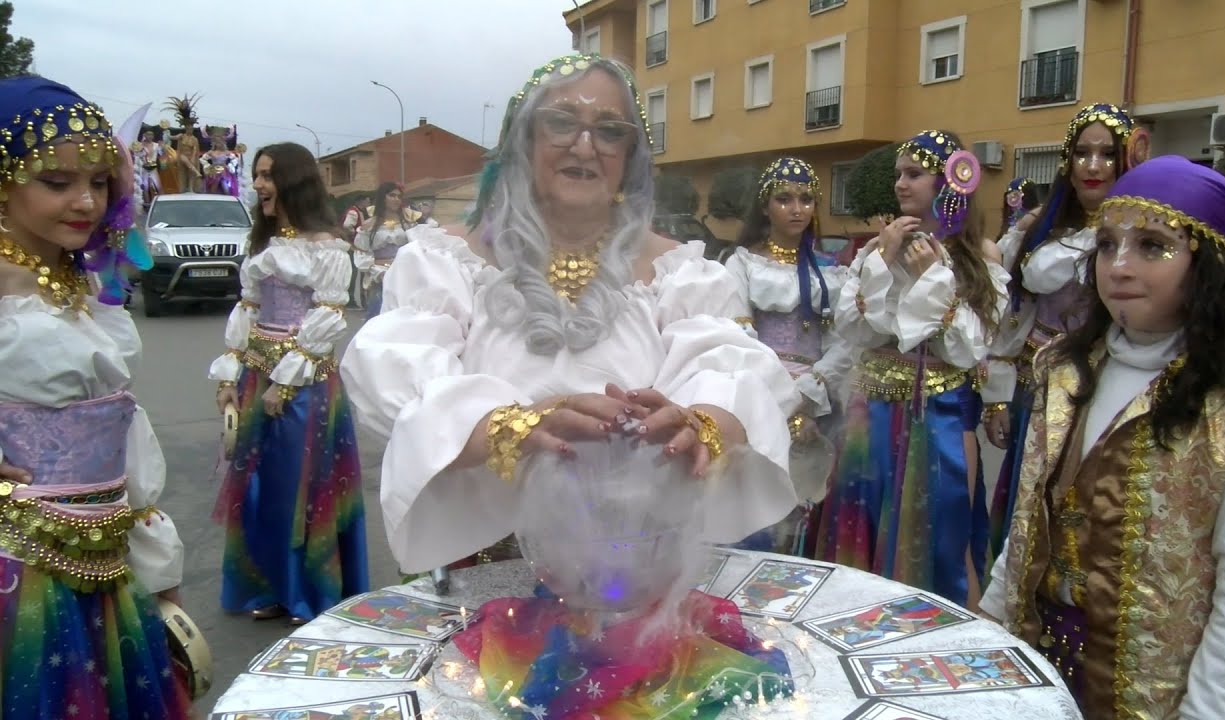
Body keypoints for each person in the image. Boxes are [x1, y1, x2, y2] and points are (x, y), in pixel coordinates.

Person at [339, 53, 800, 577]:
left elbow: (736, 371)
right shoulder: (445, 262)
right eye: (560, 123)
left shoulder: (680, 273)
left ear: (630, 156)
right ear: (523, 142)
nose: (584, 146)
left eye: (609, 131)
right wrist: (514, 425)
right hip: (485, 569)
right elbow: (396, 377)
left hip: (638, 572)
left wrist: (701, 420)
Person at [980, 155, 1225, 718]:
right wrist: (992, 624)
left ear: (1207, 262)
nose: (1118, 267)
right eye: (1108, 244)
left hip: (1160, 692)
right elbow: (1026, 520)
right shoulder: (1063, 368)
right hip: (1042, 661)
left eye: (1151, 246)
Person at [0, 76, 187, 718]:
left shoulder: (75, 286)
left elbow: (124, 427)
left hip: (108, 566)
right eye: (56, 182)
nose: (85, 201)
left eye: (100, 181)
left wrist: (160, 574)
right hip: (17, 573)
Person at [816, 130, 1007, 609]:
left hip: (939, 411)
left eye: (914, 174)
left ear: (947, 181)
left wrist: (930, 279)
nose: (901, 184)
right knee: (861, 522)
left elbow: (969, 347)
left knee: (943, 527)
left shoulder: (979, 256)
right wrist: (881, 261)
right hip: (871, 408)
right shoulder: (874, 251)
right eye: (899, 174)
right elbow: (857, 329)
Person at [209, 141, 368, 624]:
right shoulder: (264, 245)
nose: (258, 185)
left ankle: (310, 593)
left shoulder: (327, 247)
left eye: (267, 176)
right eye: (257, 175)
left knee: (303, 488)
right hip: (261, 377)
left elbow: (327, 316)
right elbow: (249, 309)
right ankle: (273, 587)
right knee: (262, 487)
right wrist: (230, 375)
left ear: (293, 181)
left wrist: (286, 383)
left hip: (305, 385)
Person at [982, 103, 1145, 558]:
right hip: (1036, 389)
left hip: (1106, 390)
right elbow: (1013, 316)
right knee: (1027, 497)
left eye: (1108, 154)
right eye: (1083, 153)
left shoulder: (1145, 235)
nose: (1093, 166)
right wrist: (996, 396)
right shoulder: (1037, 229)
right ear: (1067, 162)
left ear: (1128, 159)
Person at [724, 157, 855, 556]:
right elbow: (737, 335)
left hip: (816, 399)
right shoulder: (743, 264)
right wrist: (779, 398)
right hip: (759, 394)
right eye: (784, 199)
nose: (797, 209)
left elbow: (843, 340)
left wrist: (809, 397)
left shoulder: (832, 271)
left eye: (806, 199)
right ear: (765, 207)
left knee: (808, 503)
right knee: (757, 501)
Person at [352, 181, 426, 316]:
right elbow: (361, 254)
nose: (396, 199)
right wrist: (377, 266)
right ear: (382, 198)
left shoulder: (409, 223)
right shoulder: (369, 225)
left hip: (405, 274)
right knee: (379, 314)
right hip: (380, 275)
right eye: (392, 195)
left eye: (399, 196)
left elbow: (419, 249)